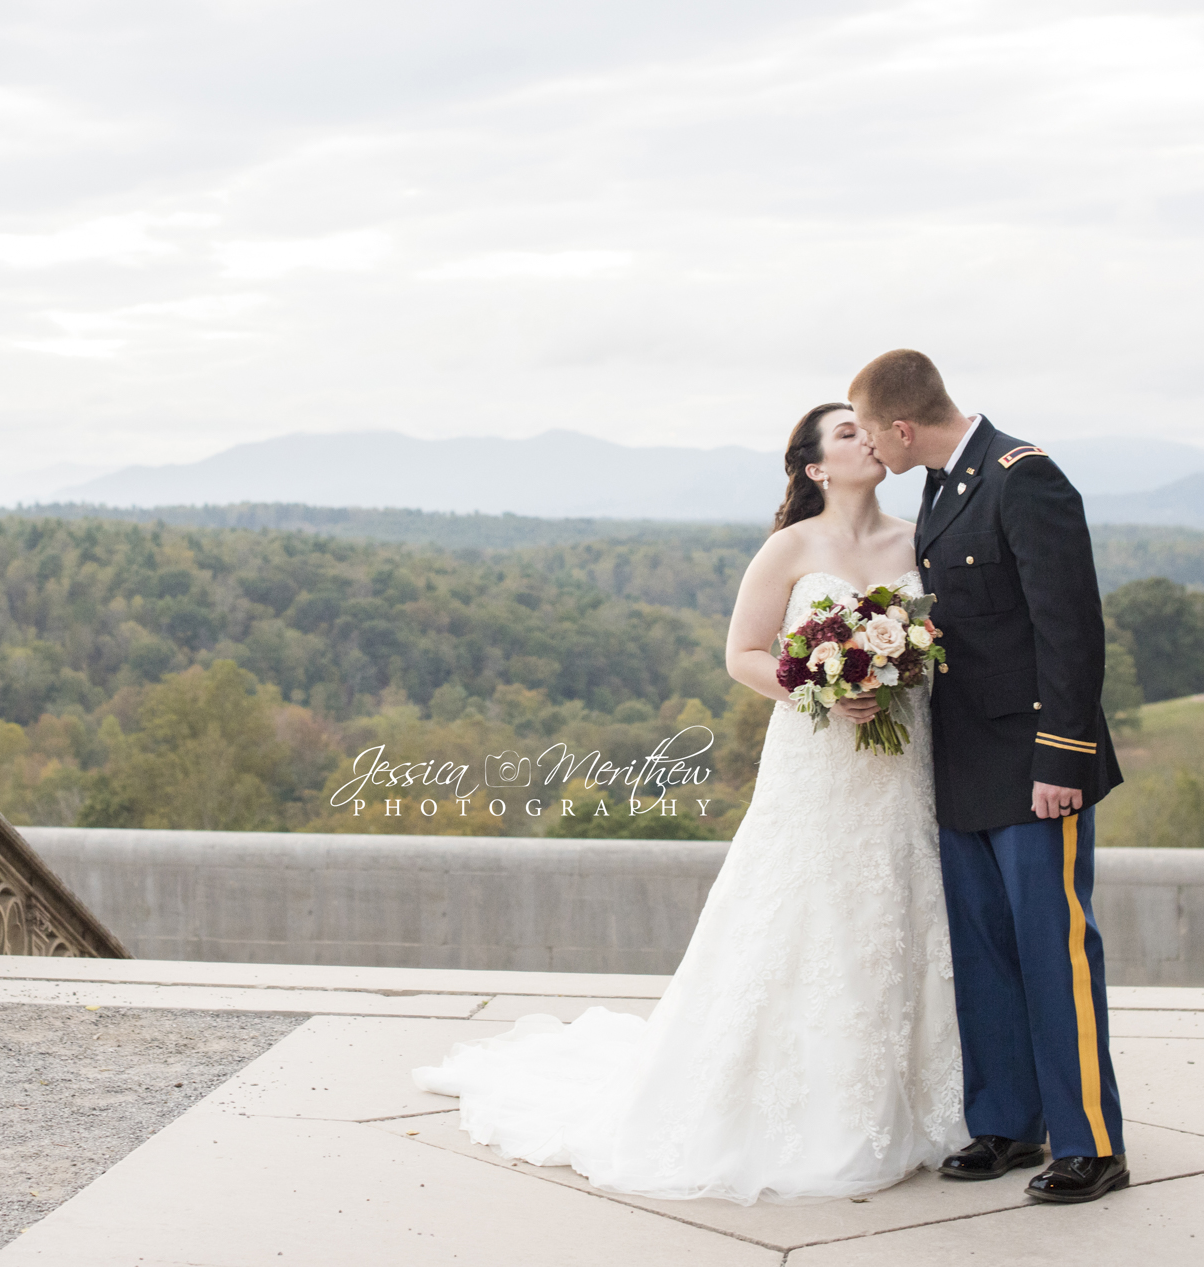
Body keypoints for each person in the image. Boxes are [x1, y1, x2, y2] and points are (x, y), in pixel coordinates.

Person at [412, 401, 967, 1204]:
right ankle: (806, 1107)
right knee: (803, 913)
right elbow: (741, 652)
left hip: (903, 758)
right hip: (817, 759)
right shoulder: (789, 547)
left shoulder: (918, 538)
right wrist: (812, 682)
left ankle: (917, 1096)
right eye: (846, 433)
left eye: (865, 427)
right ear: (815, 467)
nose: (866, 438)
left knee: (899, 907)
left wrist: (900, 669)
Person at [850, 348, 1129, 1204]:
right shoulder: (940, 484)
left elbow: (1071, 632)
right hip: (962, 759)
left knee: (1055, 949)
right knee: (983, 951)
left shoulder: (1024, 477)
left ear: (903, 426)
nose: (868, 450)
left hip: (1034, 764)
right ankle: (1007, 1123)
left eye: (867, 432)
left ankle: (1092, 1143)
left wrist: (1063, 761)